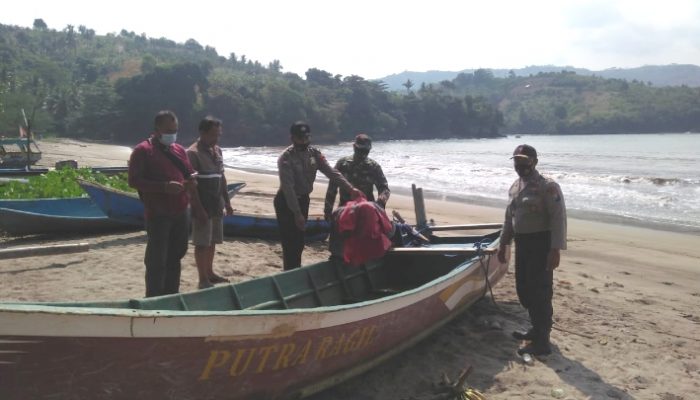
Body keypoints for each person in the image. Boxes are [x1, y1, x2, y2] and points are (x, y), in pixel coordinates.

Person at [497, 144, 567, 356]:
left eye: (524, 161)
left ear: (534, 161)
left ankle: (542, 340)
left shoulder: (548, 186)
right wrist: (503, 243)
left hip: (541, 244)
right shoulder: (516, 186)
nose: (520, 165)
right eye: (517, 161)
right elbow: (510, 218)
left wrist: (555, 249)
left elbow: (558, 218)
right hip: (523, 244)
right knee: (524, 290)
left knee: (540, 292)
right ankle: (535, 330)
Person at [128, 110, 205, 297]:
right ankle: (153, 296)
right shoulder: (143, 151)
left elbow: (189, 173)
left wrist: (191, 183)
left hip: (181, 210)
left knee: (177, 254)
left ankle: (171, 293)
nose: (172, 133)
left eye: (175, 129)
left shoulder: (178, 150)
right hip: (158, 212)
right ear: (157, 129)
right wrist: (163, 187)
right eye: (169, 130)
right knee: (157, 259)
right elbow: (134, 181)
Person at [275, 121, 361, 270]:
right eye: (300, 138)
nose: (304, 141)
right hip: (287, 202)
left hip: (303, 200)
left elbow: (331, 172)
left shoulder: (314, 153)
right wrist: (297, 213)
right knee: (290, 241)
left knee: (300, 240)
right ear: (293, 138)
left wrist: (350, 188)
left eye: (307, 137)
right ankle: (289, 271)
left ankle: (295, 268)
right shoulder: (286, 158)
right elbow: (288, 188)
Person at [324, 133, 390, 260]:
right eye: (360, 150)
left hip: (366, 212)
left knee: (366, 246)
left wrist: (381, 201)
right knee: (339, 247)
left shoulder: (373, 167)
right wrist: (327, 211)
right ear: (354, 147)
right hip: (344, 209)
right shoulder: (342, 164)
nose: (363, 154)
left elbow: (384, 188)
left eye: (366, 151)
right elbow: (332, 189)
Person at [186, 116, 234, 289]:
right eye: (213, 135)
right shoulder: (192, 153)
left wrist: (227, 202)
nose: (216, 138)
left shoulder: (217, 151)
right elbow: (191, 186)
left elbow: (222, 178)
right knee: (201, 243)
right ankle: (202, 279)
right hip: (203, 206)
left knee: (213, 240)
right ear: (202, 133)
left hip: (217, 204)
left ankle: (210, 273)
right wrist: (198, 209)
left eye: (218, 135)